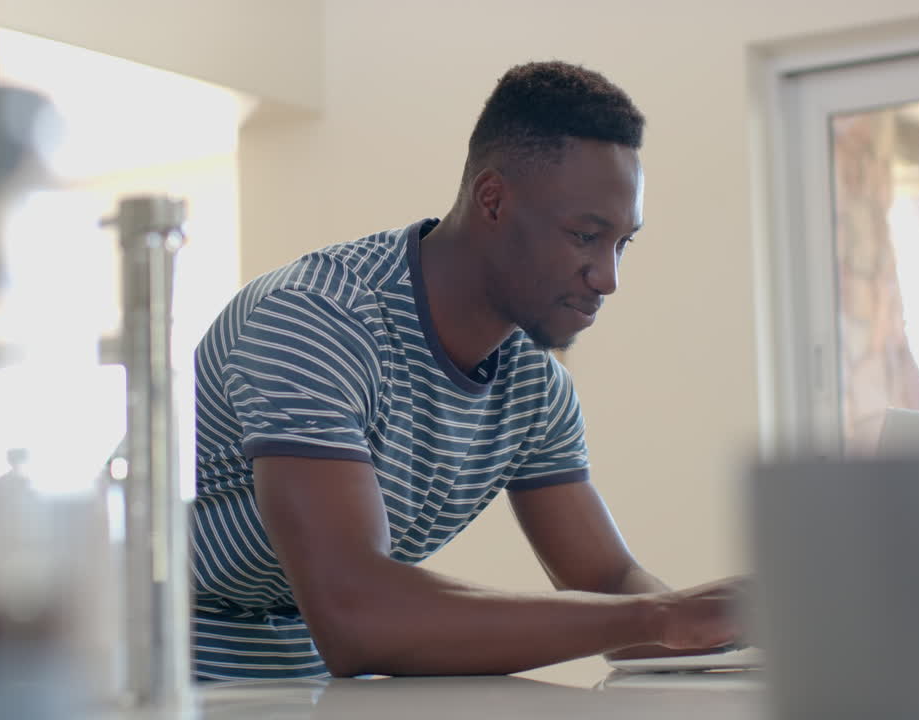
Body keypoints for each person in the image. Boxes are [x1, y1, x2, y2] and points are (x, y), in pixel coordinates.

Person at [190, 60, 744, 681]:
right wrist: (657, 617)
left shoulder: (534, 387)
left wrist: (749, 627)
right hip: (163, 680)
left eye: (622, 243)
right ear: (493, 199)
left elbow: (612, 584)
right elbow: (356, 615)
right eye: (586, 236)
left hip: (320, 688)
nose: (608, 278)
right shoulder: (318, 322)